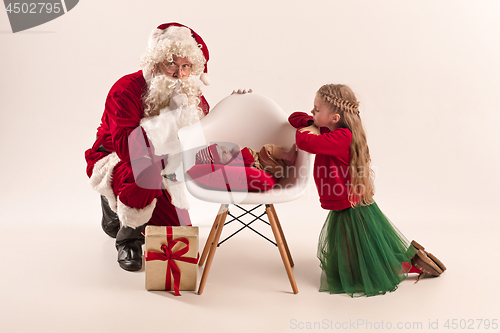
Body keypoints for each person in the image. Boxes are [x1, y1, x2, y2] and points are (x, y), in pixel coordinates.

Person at [288, 84, 446, 297]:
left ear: (334, 117)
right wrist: (311, 122)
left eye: (316, 110)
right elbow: (294, 117)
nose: (312, 112)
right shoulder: (331, 130)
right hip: (347, 199)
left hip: (348, 202)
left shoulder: (340, 137)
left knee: (358, 250)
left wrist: (312, 129)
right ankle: (409, 258)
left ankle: (410, 265)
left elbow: (306, 142)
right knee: (361, 245)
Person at [84, 23, 211, 272]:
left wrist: (235, 107)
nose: (179, 73)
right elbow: (125, 148)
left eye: (186, 66)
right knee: (146, 170)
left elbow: (205, 132)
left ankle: (121, 209)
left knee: (176, 236)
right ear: (156, 62)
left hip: (163, 168)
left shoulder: (189, 92)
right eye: (172, 64)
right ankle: (128, 237)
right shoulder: (125, 89)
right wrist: (170, 119)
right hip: (115, 160)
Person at [195, 142, 297, 178]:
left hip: (272, 163)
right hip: (267, 167)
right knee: (266, 149)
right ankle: (287, 156)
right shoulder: (232, 165)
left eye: (222, 148)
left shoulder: (232, 157)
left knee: (269, 151)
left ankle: (287, 160)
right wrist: (239, 151)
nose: (225, 151)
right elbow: (249, 161)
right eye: (222, 155)